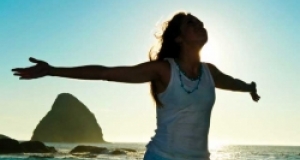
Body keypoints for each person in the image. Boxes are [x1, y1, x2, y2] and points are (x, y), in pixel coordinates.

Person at [12, 12, 260, 160]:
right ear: (179, 38)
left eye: (201, 23)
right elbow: (105, 73)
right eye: (191, 24)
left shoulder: (210, 72)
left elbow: (232, 83)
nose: (200, 26)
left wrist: (249, 87)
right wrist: (53, 70)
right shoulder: (164, 69)